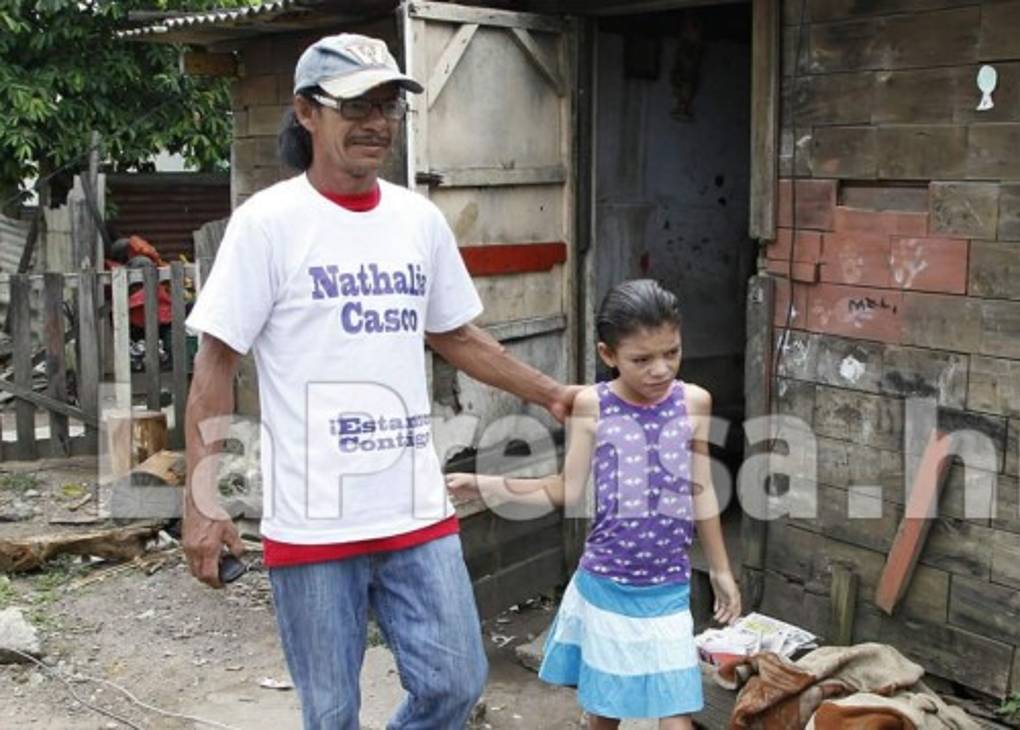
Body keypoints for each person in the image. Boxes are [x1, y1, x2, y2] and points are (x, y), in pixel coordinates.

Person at [181, 33, 578, 730]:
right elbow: (216, 365)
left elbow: (454, 333)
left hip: (414, 511)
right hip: (312, 523)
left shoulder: (417, 220)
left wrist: (550, 393)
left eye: (389, 103)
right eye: (356, 105)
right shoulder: (267, 225)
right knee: (330, 714)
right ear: (306, 113)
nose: (377, 121)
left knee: (455, 684)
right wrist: (203, 502)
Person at [448, 279, 742, 730]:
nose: (660, 370)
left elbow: (702, 491)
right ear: (608, 355)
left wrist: (721, 569)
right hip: (607, 584)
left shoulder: (694, 402)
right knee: (605, 712)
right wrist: (485, 485)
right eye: (641, 360)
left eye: (672, 353)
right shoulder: (593, 406)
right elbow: (564, 489)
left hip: (667, 586)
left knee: (676, 712)